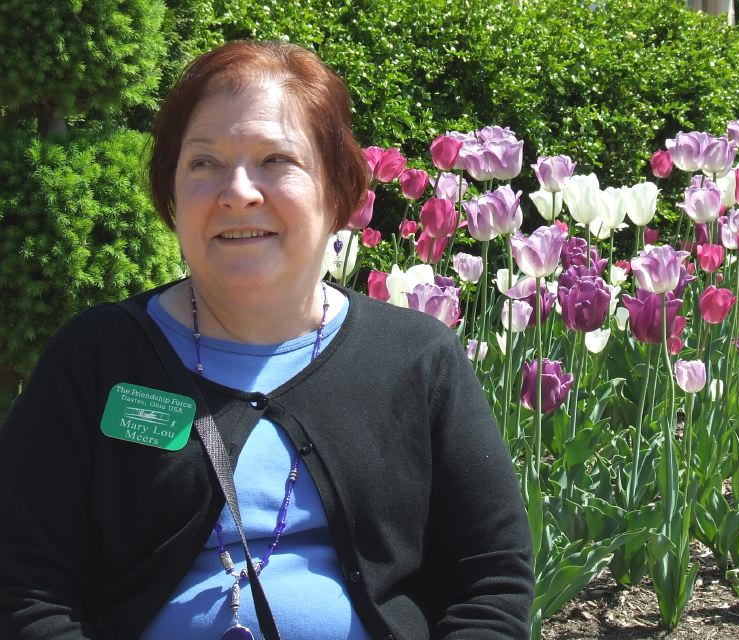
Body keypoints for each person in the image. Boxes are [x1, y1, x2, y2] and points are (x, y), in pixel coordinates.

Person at [0, 40, 534, 639]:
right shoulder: (97, 358)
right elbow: (25, 587)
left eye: (275, 159)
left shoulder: (417, 360)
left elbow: (489, 583)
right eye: (202, 162)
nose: (237, 191)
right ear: (171, 194)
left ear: (337, 190)